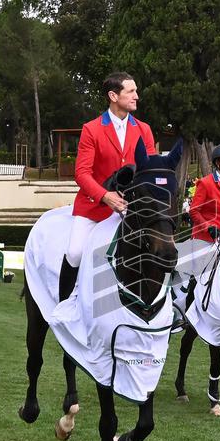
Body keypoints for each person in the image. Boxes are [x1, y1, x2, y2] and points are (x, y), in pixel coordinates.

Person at [59, 72, 156, 303]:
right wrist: (105, 196)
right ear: (113, 96)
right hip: (94, 207)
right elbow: (82, 173)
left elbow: (150, 170)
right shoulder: (91, 129)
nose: (136, 96)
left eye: (136, 91)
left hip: (132, 207)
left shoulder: (144, 129)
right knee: (75, 252)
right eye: (130, 91)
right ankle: (65, 305)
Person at [184, 143, 220, 277]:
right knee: (201, 276)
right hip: (205, 237)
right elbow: (194, 211)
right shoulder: (205, 183)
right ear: (217, 163)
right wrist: (208, 227)